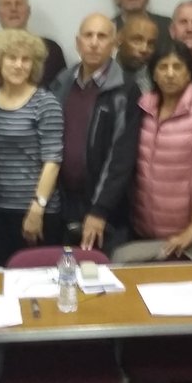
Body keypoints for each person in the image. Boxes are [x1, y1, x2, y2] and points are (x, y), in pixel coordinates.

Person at [113, 42, 192, 263]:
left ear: (189, 73)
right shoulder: (143, 105)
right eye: (163, 67)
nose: (170, 74)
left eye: (177, 67)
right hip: (143, 231)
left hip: (190, 237)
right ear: (153, 74)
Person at [49, 14, 140, 254]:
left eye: (102, 36)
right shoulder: (61, 83)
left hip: (106, 210)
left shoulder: (125, 89)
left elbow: (121, 156)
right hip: (64, 203)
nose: (94, 42)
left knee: (101, 270)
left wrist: (100, 210)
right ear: (78, 42)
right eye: (88, 35)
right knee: (64, 269)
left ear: (114, 43)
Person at [0, 29, 64, 265]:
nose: (19, 65)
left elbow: (52, 161)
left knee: (36, 278)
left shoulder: (45, 102)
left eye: (26, 59)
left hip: (35, 209)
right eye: (12, 58)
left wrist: (38, 207)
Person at [116, 13, 159, 94]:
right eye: (137, 40)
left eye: (150, 44)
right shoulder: (102, 71)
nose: (144, 49)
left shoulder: (157, 78)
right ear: (119, 38)